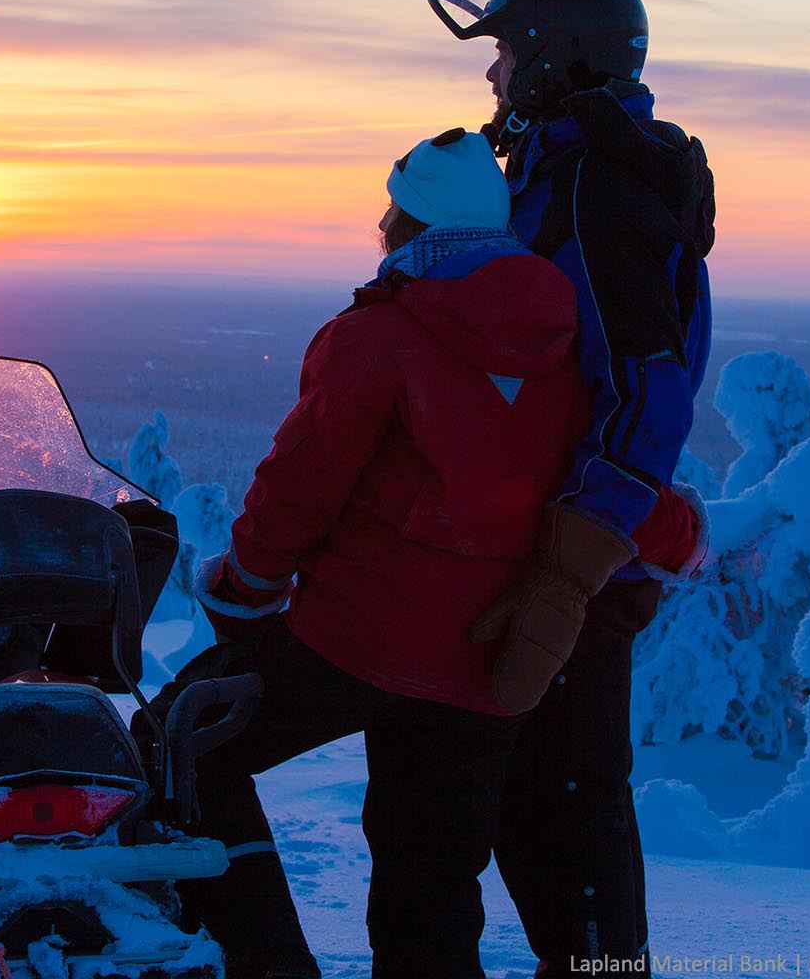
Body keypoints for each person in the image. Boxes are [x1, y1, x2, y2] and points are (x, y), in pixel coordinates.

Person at [171, 127, 595, 979]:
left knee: (181, 748)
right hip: (488, 663)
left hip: (357, 640)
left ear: (412, 225)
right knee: (430, 886)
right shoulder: (569, 342)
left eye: (389, 211)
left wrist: (246, 587)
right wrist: (676, 537)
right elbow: (596, 475)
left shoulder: (379, 336)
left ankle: (266, 965)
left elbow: (300, 485)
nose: (379, 224)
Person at [428, 0, 716, 974]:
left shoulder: (597, 186)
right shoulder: (571, 168)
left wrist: (571, 557)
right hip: (564, 539)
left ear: (553, 57)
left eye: (505, 53)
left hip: (579, 555)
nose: (491, 73)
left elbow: (643, 384)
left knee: (567, 807)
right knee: (538, 800)